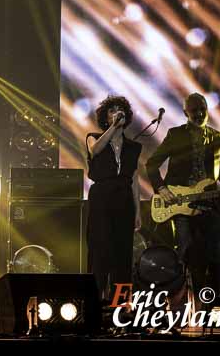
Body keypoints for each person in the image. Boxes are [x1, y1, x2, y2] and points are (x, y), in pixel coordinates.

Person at [146, 92, 220, 298]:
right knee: (182, 251)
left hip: (209, 203)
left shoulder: (218, 137)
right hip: (181, 203)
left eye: (202, 109)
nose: (199, 114)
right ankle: (174, 299)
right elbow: (152, 164)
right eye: (194, 110)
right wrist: (162, 189)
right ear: (185, 113)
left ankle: (214, 301)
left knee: (218, 254)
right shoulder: (175, 134)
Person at [86, 96, 142, 301]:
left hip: (124, 198)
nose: (117, 113)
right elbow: (95, 150)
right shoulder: (93, 137)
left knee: (123, 254)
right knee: (100, 249)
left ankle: (121, 305)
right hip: (102, 196)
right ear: (105, 116)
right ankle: (95, 301)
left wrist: (137, 212)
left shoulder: (133, 147)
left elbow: (134, 180)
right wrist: (113, 128)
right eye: (112, 110)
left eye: (120, 110)